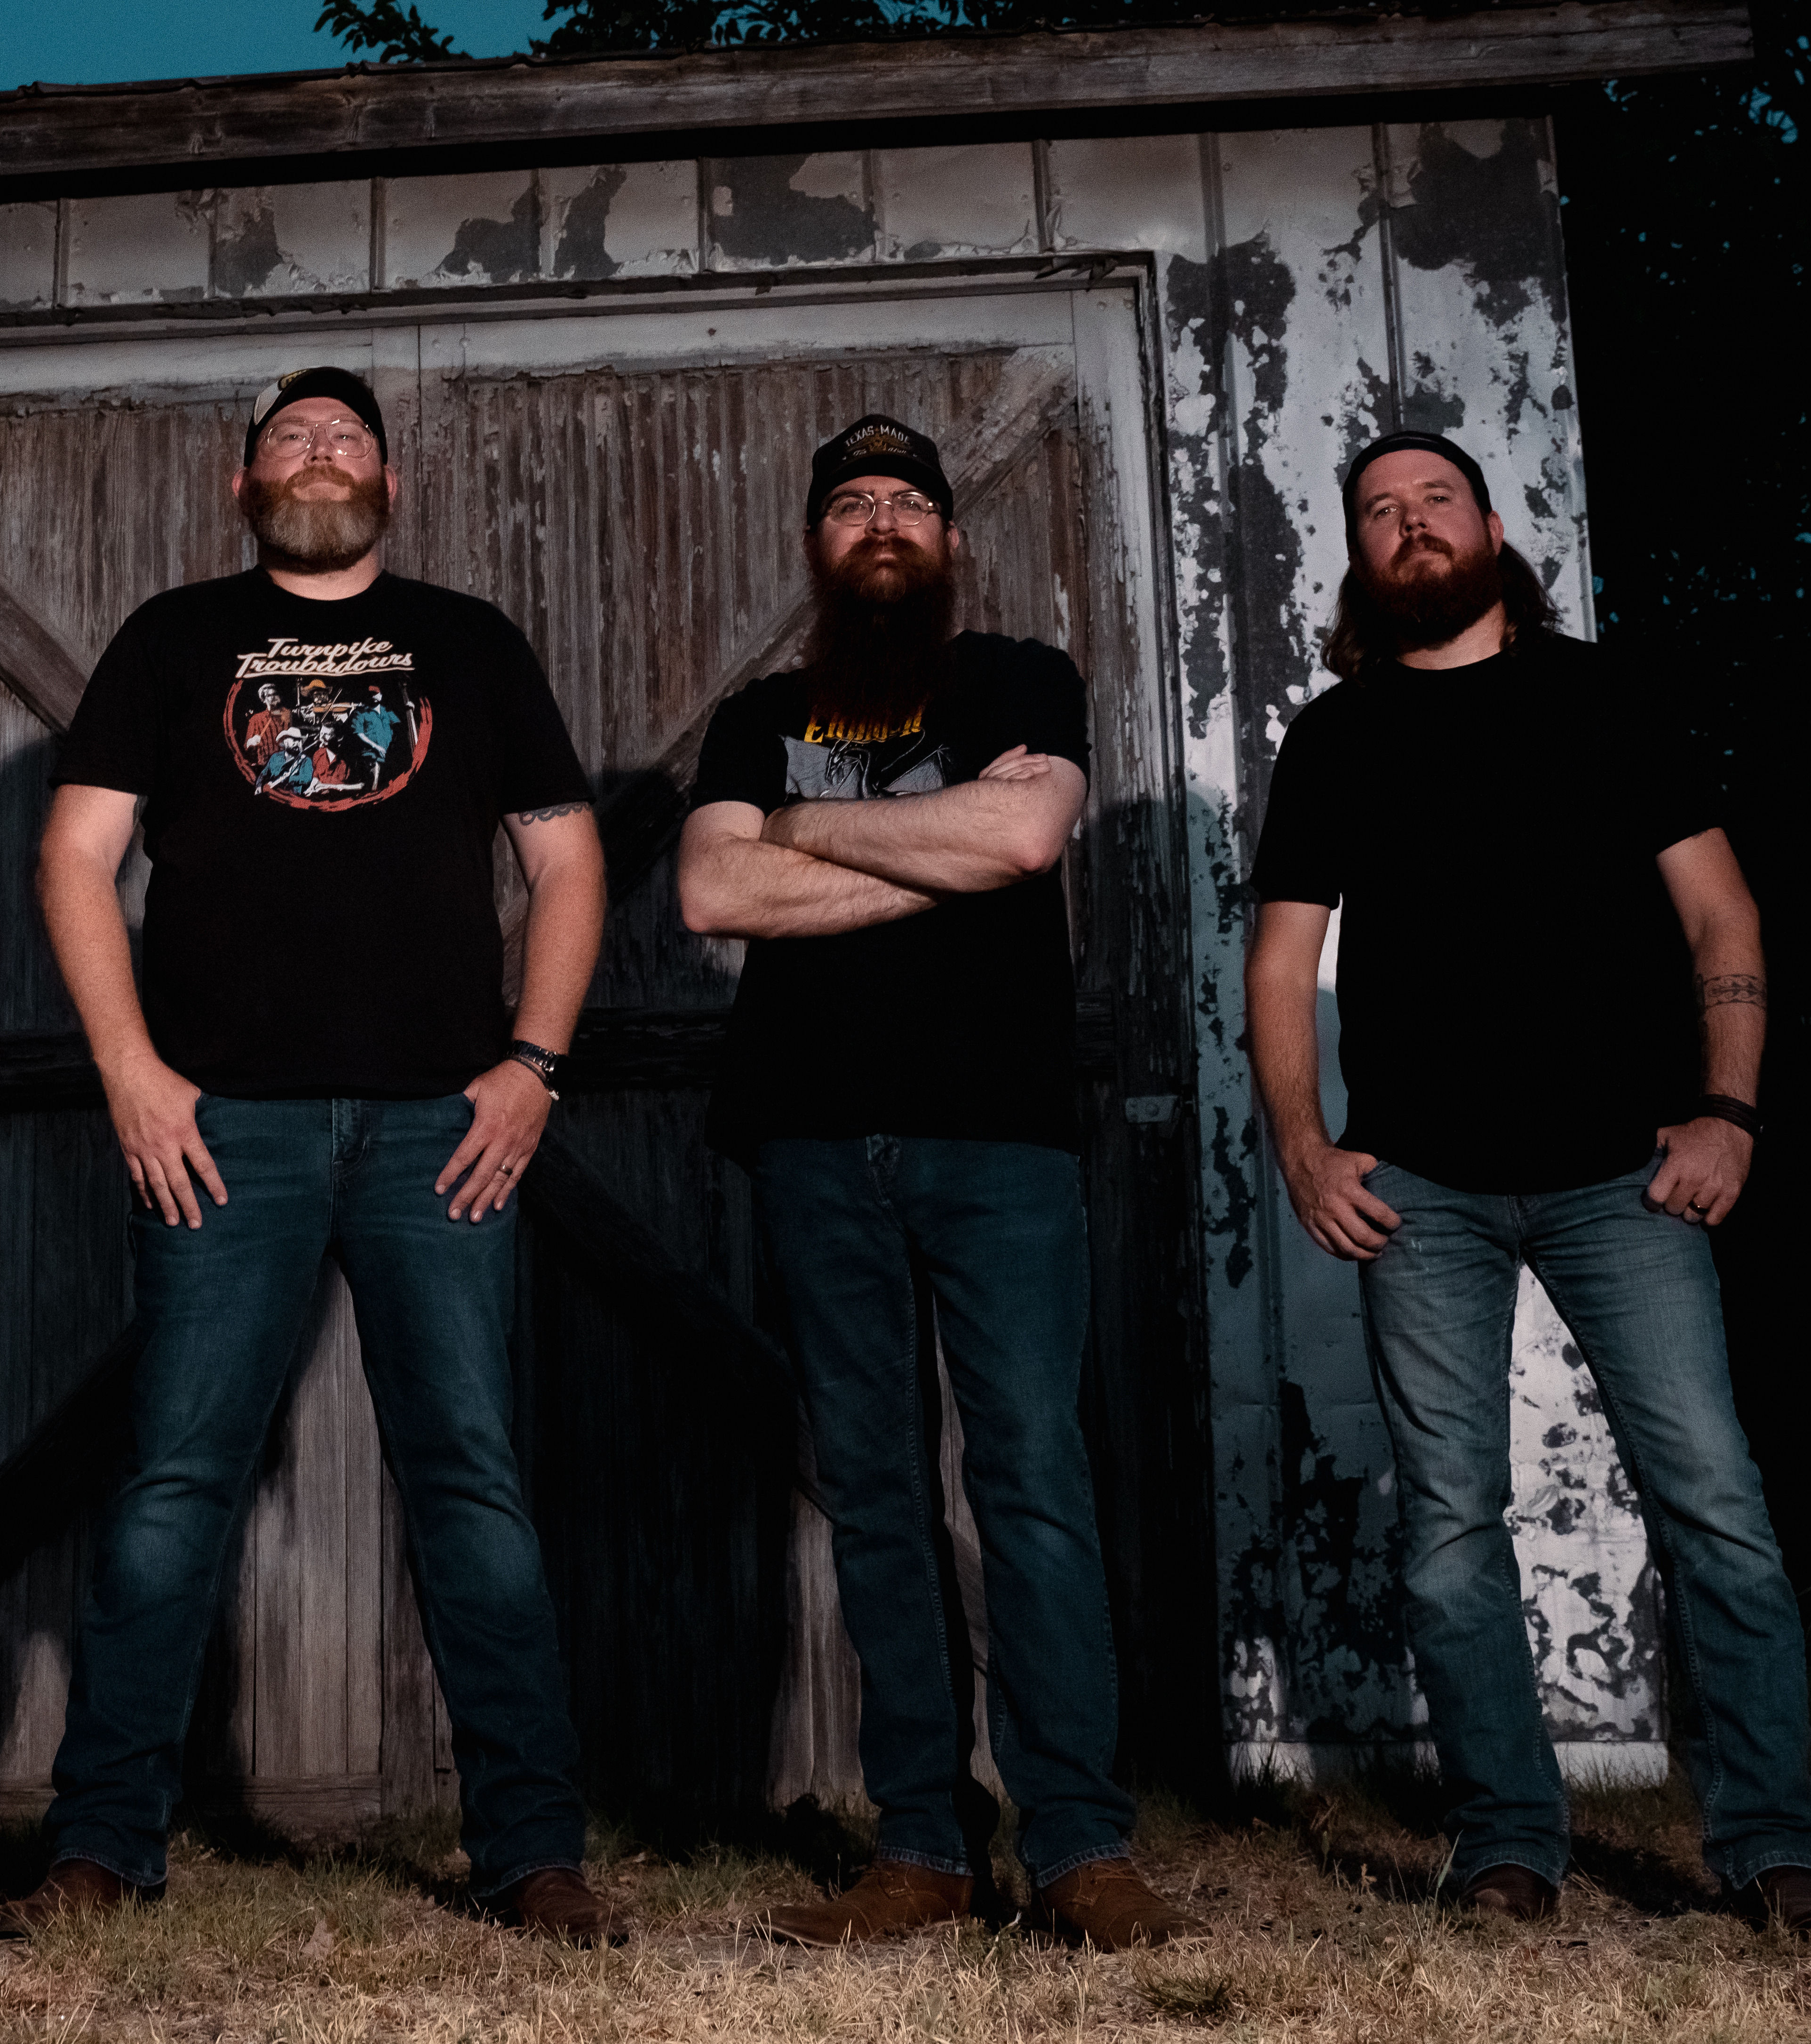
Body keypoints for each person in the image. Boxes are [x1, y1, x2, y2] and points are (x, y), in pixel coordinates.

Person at [7, 367, 618, 1944]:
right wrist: (131, 1070)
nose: (319, 453)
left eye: (346, 437)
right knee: (172, 1486)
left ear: (390, 486)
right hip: (223, 1127)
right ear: (242, 485)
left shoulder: (470, 643)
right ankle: (101, 1841)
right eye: (289, 435)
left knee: (471, 1485)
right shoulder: (168, 638)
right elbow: (73, 856)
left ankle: (531, 1853)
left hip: (439, 1127)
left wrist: (534, 1068)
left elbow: (565, 861)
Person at [1245, 429, 1811, 1937]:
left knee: (1711, 1499)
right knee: (1450, 1523)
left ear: (1491, 526)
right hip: (1425, 1190)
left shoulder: (1605, 696)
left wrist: (1729, 1109)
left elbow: (1721, 908)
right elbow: (1274, 961)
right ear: (1357, 550)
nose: (1408, 527)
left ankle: (1772, 1846)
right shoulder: (1336, 735)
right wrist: (1301, 1144)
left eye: (1432, 501)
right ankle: (1506, 1841)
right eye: (1377, 512)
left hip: (1617, 1178)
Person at [676, 413, 1201, 1950]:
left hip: (997, 1133)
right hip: (810, 1138)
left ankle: (1080, 1846)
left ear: (950, 542)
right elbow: (713, 885)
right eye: (851, 504)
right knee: (879, 1496)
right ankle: (920, 1844)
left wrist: (805, 831)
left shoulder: (1019, 680)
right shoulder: (757, 710)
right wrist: (933, 836)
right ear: (818, 547)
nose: (883, 520)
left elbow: (1029, 835)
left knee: (1032, 1475)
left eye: (909, 499)